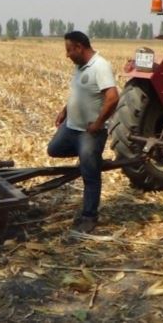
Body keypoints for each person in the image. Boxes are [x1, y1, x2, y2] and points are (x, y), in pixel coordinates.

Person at [48, 31, 119, 233]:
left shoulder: (100, 66)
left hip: (90, 133)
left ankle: (89, 217)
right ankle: (90, 158)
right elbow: (78, 94)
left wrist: (98, 123)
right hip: (71, 127)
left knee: (90, 175)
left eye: (69, 50)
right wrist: (64, 110)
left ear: (79, 47)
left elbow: (113, 97)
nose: (67, 55)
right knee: (53, 150)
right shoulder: (79, 67)